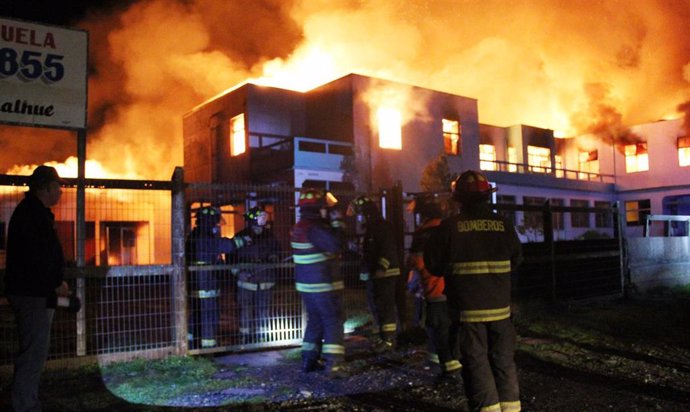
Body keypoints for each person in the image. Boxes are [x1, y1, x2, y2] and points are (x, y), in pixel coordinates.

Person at [424, 170, 523, 412]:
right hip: (501, 311)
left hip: (468, 314)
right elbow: (517, 259)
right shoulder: (504, 225)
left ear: (458, 198)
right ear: (487, 196)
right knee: (503, 361)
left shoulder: (449, 228)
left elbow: (433, 266)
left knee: (476, 363)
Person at [4, 165, 70, 412]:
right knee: (33, 354)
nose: (61, 192)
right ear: (46, 187)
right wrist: (55, 283)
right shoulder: (33, 216)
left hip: (34, 292)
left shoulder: (32, 213)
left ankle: (27, 402)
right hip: (33, 295)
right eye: (58, 187)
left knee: (34, 352)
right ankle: (25, 406)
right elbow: (37, 259)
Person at [291, 188, 348, 378]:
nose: (326, 211)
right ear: (318, 209)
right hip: (323, 284)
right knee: (333, 320)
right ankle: (334, 365)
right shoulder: (315, 228)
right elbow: (336, 244)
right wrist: (338, 222)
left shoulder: (300, 227)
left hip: (306, 286)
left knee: (315, 321)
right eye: (324, 208)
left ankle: (309, 359)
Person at [407, 194, 462, 379]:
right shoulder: (451, 228)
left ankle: (445, 365)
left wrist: (414, 285)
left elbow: (415, 262)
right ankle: (446, 361)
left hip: (433, 289)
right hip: (455, 289)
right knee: (451, 324)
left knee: (435, 326)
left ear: (423, 215)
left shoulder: (422, 234)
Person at [187, 206, 252, 349]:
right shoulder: (203, 236)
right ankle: (208, 349)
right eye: (216, 221)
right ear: (210, 220)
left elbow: (218, 260)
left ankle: (192, 344)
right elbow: (222, 245)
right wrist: (240, 241)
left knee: (197, 314)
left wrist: (234, 273)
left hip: (199, 283)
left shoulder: (196, 234)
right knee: (209, 315)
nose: (217, 225)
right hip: (206, 284)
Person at [347, 195, 401, 353]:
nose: (359, 217)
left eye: (360, 214)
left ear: (366, 213)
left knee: (385, 306)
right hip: (374, 274)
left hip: (385, 274)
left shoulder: (380, 226)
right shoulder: (372, 226)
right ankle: (381, 338)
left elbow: (388, 248)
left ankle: (390, 340)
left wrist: (381, 268)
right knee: (376, 307)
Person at [230, 206, 282, 343]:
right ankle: (245, 337)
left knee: (263, 309)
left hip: (265, 279)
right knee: (245, 309)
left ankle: (262, 335)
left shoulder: (270, 236)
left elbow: (277, 251)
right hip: (246, 281)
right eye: (260, 218)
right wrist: (238, 273)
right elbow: (230, 259)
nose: (263, 222)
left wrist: (274, 257)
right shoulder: (240, 237)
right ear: (252, 220)